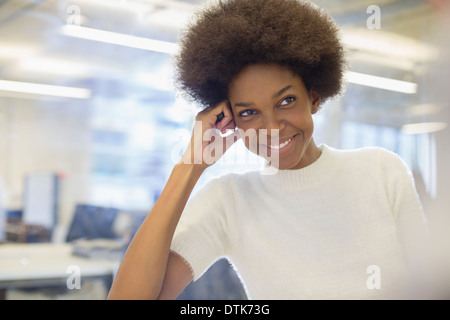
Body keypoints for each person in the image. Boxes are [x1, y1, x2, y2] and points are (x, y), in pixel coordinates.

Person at [108, 0, 428, 300]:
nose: (272, 127)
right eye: (249, 112)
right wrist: (190, 166)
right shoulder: (229, 200)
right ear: (231, 120)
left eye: (285, 101)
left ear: (314, 97)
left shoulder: (381, 170)